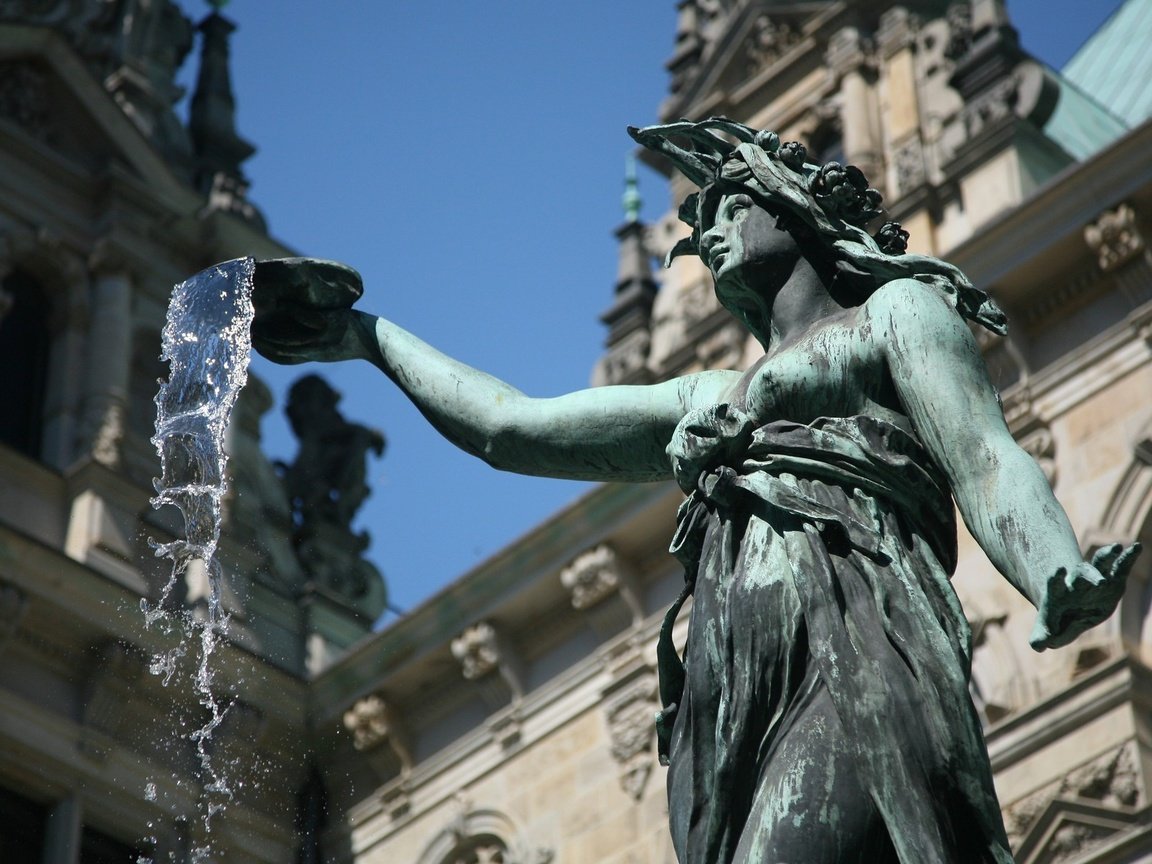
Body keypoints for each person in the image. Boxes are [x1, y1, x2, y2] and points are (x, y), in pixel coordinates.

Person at [250, 118, 1139, 864]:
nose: (708, 233)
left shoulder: (898, 317)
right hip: (733, 686)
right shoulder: (707, 393)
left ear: (792, 209)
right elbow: (510, 427)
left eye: (731, 207)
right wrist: (370, 338)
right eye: (700, 221)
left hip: (858, 637)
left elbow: (984, 457)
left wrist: (1051, 564)